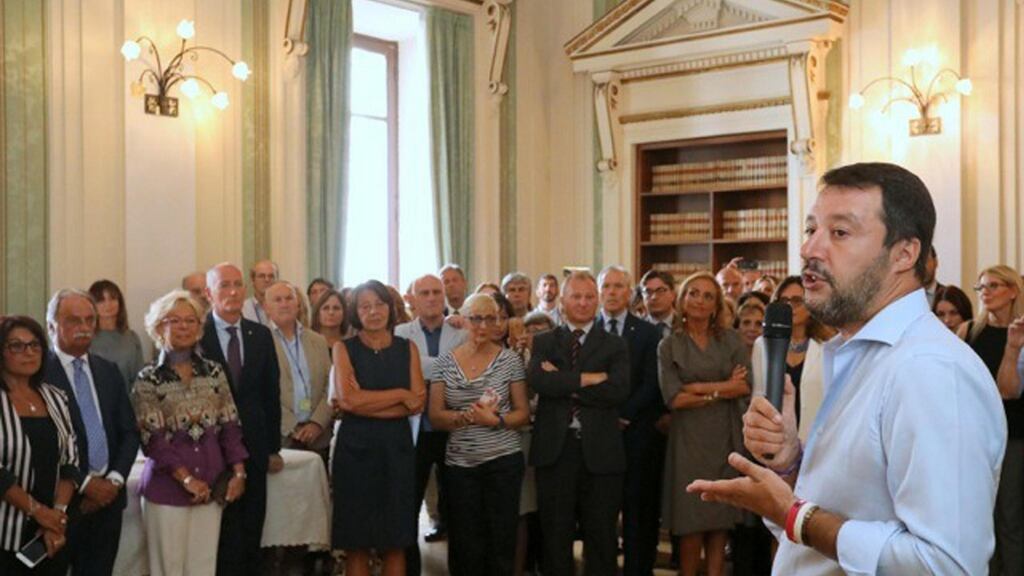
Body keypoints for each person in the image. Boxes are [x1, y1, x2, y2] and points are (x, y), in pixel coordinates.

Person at [687, 162, 1006, 575]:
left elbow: (944, 565)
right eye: (810, 230)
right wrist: (788, 468)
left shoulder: (931, 370)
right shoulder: (859, 353)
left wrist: (795, 515)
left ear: (904, 253)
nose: (809, 250)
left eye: (839, 232)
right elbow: (847, 507)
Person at [132, 290, 248, 576]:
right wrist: (186, 479)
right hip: (166, 489)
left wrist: (239, 474)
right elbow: (153, 440)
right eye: (174, 320)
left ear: (200, 328)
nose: (183, 326)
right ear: (159, 327)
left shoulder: (214, 372)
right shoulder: (148, 379)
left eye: (191, 320)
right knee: (168, 570)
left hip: (210, 486)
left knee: (203, 568)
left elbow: (230, 425)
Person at [528, 270, 630, 576]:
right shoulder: (544, 342)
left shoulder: (615, 345)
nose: (583, 303)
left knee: (601, 538)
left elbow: (617, 390)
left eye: (589, 297)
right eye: (576, 296)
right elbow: (539, 383)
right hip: (555, 453)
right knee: (555, 537)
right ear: (562, 300)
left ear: (597, 300)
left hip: (601, 453)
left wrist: (562, 381)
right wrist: (590, 379)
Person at [429, 293, 530, 575]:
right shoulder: (445, 363)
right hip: (460, 465)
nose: (482, 326)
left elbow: (522, 413)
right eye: (476, 318)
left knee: (501, 539)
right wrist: (461, 417)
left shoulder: (509, 360)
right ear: (464, 320)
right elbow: (435, 415)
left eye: (490, 318)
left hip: (502, 461)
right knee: (464, 540)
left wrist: (495, 420)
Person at [659, 271, 751, 576]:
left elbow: (743, 387)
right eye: (693, 293)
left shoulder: (732, 341)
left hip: (725, 437)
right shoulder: (669, 345)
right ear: (682, 299)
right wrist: (721, 387)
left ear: (716, 305)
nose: (700, 300)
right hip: (688, 442)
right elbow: (675, 399)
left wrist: (697, 388)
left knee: (720, 520)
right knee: (691, 522)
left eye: (708, 296)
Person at [43, 289, 140, 576]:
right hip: (59, 505)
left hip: (109, 502)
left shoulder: (107, 370)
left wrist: (113, 480)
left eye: (89, 320)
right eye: (73, 321)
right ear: (51, 326)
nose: (84, 328)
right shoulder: (37, 373)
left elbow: (129, 432)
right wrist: (85, 484)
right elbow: (44, 442)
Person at [332, 280, 426, 576]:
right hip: (356, 451)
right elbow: (348, 401)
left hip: (396, 450)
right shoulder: (343, 348)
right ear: (356, 312)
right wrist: (399, 395)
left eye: (379, 304)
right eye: (365, 306)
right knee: (356, 541)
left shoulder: (406, 347)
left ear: (390, 307)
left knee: (395, 540)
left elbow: (418, 403)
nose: (373, 312)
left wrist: (367, 403)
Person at [199, 263, 282, 576]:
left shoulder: (260, 334)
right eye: (223, 286)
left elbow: (270, 393)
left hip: (255, 449)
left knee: (250, 533)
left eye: (237, 285)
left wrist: (272, 447)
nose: (232, 292)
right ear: (209, 293)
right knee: (218, 536)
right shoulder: (196, 335)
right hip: (210, 450)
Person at [395, 275, 468, 574]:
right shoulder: (400, 332)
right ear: (412, 298)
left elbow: (465, 370)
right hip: (414, 431)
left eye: (436, 291)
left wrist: (423, 365)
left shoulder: (460, 330)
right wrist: (446, 364)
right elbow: (406, 370)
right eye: (423, 292)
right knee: (408, 505)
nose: (431, 297)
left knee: (458, 508)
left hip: (453, 429)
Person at [596, 266, 663, 576]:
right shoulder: (585, 331)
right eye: (606, 286)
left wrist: (623, 414)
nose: (611, 292)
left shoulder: (649, 332)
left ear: (630, 292)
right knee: (601, 514)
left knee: (639, 515)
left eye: (618, 286)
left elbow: (652, 383)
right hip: (595, 437)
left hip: (637, 437)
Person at [0, 316, 78, 576]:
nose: (29, 352)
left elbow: (70, 460)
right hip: (5, 530)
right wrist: (37, 512)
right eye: (16, 346)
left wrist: (55, 516)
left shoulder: (55, 397)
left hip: (50, 532)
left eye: (35, 345)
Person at [959, 264, 1024, 574]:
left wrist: (1013, 348)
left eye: (994, 286)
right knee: (979, 517)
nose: (985, 292)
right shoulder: (970, 330)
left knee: (1010, 518)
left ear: (1013, 291)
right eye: (981, 287)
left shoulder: (1021, 332)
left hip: (1014, 433)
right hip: (975, 436)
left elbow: (1007, 392)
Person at [751, 275, 832, 439]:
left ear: (811, 305)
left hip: (817, 440)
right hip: (773, 438)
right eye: (784, 300)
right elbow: (758, 393)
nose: (789, 306)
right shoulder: (762, 345)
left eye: (797, 300)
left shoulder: (828, 346)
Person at [264, 281, 332, 455]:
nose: (284, 304)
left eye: (289, 298)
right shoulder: (259, 342)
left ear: (298, 304)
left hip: (319, 436)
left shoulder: (318, 340)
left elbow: (330, 386)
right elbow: (260, 392)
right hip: (281, 437)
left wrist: (317, 423)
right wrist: (292, 427)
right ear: (266, 307)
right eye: (277, 300)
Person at [87, 279, 146, 387]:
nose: (108, 304)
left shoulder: (132, 338)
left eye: (112, 298)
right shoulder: (86, 339)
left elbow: (139, 380)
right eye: (101, 300)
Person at [640, 270, 677, 338]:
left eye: (660, 291)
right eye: (648, 292)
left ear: (673, 294)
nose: (654, 297)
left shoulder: (686, 325)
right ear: (642, 296)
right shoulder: (637, 327)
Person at [241, 259, 278, 327]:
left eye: (271, 276)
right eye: (261, 276)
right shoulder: (243, 308)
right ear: (253, 280)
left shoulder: (284, 306)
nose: (267, 280)